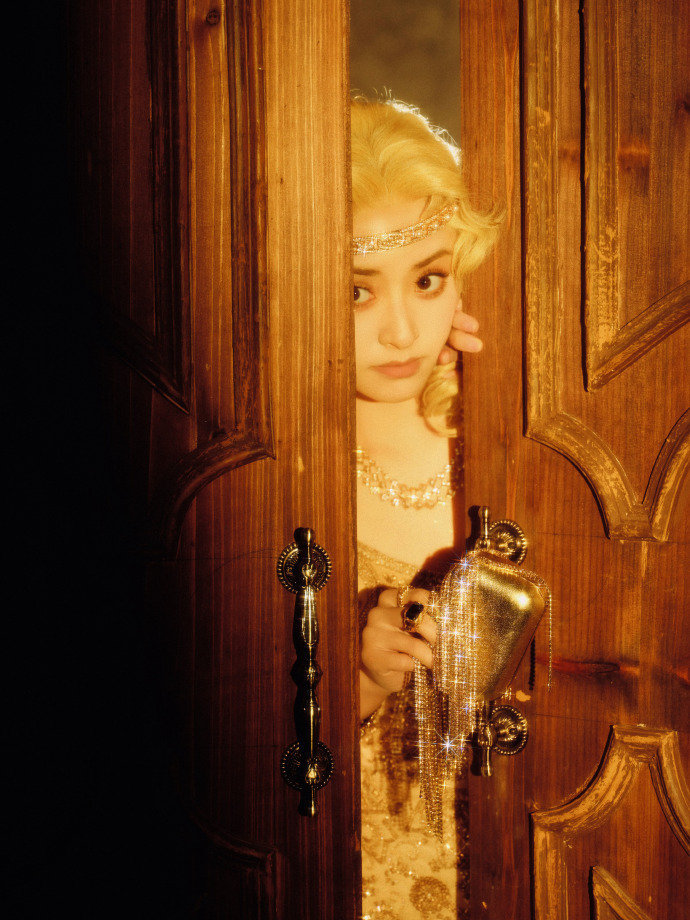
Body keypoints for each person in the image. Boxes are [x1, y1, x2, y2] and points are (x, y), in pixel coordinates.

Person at [352, 97, 500, 920]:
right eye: (357, 291)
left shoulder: (520, 428)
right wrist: (362, 678)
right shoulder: (263, 477)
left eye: (428, 279)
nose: (402, 331)